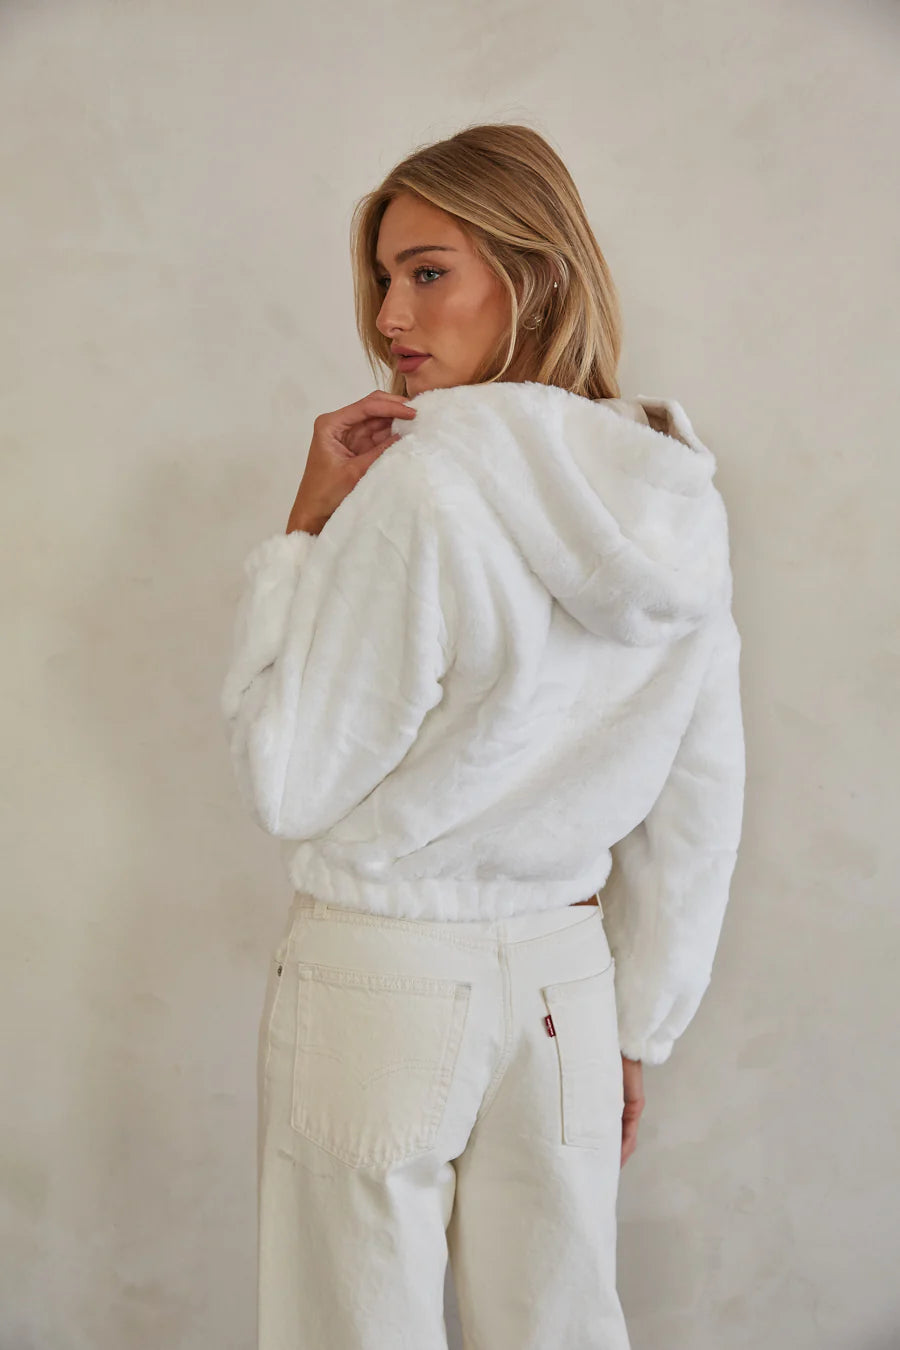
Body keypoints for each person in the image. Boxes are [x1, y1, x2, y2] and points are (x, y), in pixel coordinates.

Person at [220, 122, 746, 1350]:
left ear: (538, 274)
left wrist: (301, 533)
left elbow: (289, 778)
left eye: (427, 271)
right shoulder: (674, 497)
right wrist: (638, 1024)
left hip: (385, 974)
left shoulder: (423, 484)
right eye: (384, 278)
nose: (389, 317)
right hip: (569, 987)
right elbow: (701, 796)